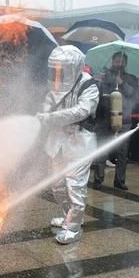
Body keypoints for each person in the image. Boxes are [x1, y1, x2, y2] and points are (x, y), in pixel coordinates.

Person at [36, 45, 99, 244]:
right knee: (57, 185)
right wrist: (43, 114)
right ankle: (68, 217)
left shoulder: (88, 85)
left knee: (75, 186)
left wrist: (53, 117)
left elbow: (83, 110)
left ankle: (73, 228)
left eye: (61, 70)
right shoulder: (55, 85)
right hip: (56, 141)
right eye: (54, 70)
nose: (57, 74)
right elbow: (47, 102)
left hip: (79, 142)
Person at [92, 51, 139, 190]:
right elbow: (97, 93)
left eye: (122, 61)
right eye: (117, 61)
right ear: (112, 61)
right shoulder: (103, 76)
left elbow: (133, 94)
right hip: (105, 119)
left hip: (123, 120)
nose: (119, 63)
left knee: (123, 153)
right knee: (102, 151)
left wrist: (122, 83)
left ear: (126, 63)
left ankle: (119, 180)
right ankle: (98, 180)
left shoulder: (131, 78)